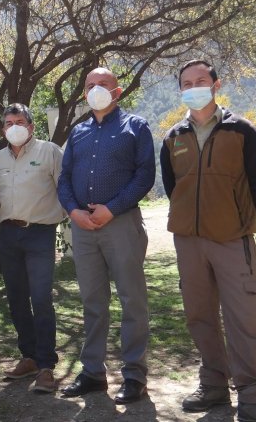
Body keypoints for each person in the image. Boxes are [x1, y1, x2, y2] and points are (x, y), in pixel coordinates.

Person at [161, 60, 256, 422]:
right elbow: (173, 187)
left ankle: (254, 397)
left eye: (201, 80)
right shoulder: (173, 137)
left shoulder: (242, 130)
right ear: (181, 90)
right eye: (187, 82)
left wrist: (239, 217)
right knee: (199, 316)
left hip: (233, 238)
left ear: (216, 84)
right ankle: (214, 385)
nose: (194, 86)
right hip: (189, 241)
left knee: (243, 317)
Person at [57, 68, 155, 404]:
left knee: (132, 300)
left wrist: (111, 209)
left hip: (122, 225)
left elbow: (145, 176)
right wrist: (74, 212)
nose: (95, 89)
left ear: (118, 91)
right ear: (84, 93)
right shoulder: (79, 132)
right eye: (89, 86)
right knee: (93, 303)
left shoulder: (136, 127)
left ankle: (134, 375)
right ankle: (93, 373)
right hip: (83, 230)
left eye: (103, 84)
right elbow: (64, 178)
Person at [0, 103, 67, 393]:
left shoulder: (49, 151)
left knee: (41, 297)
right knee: (17, 298)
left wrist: (53, 219)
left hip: (39, 234)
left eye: (19, 121)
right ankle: (29, 357)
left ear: (31, 126)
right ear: (3, 129)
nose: (14, 127)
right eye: (8, 123)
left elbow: (65, 189)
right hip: (8, 234)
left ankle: (47, 365)